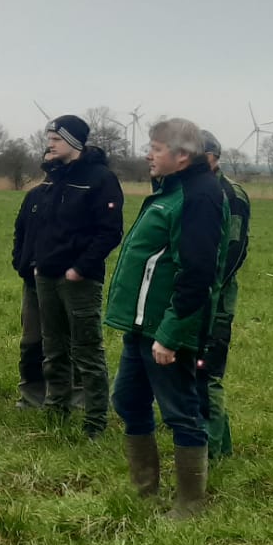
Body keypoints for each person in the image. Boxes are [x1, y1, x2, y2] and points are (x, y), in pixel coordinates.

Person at [105, 118, 229, 520]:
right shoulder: (171, 191)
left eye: (156, 148)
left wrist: (171, 335)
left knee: (180, 412)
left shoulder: (198, 198)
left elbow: (197, 274)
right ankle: (145, 492)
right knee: (127, 400)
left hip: (166, 329)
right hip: (142, 326)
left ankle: (190, 506)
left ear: (182, 155)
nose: (148, 154)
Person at [24, 115, 125, 438]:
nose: (49, 145)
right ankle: (57, 409)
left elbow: (110, 232)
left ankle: (95, 420)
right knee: (53, 347)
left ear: (74, 142)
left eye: (55, 139)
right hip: (46, 276)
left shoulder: (100, 179)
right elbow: (41, 226)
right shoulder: (52, 178)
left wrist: (80, 268)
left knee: (87, 350)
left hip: (80, 279)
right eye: (49, 139)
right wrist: (38, 263)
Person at [199, 131, 252, 460]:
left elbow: (233, 251)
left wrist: (208, 290)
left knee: (209, 374)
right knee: (197, 374)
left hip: (215, 299)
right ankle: (222, 446)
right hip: (194, 295)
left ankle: (213, 451)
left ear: (213, 157)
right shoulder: (191, 189)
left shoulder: (230, 194)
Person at [11, 156, 52, 410]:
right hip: (32, 280)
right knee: (31, 341)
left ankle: (66, 397)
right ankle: (31, 396)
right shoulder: (34, 196)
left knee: (64, 341)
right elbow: (20, 230)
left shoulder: (75, 195)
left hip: (62, 280)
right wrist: (20, 261)